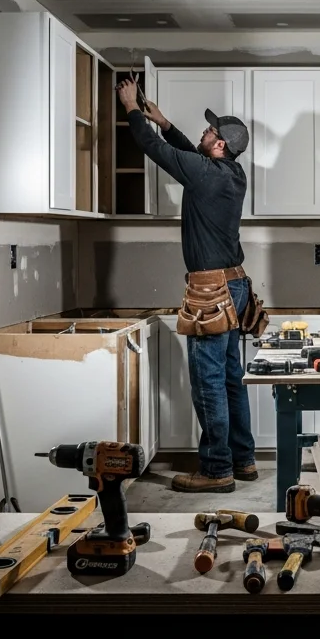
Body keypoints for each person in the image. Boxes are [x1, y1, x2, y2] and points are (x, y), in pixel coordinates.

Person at [117, 79, 264, 493]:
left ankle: (217, 470)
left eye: (211, 131)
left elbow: (160, 152)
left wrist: (131, 108)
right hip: (235, 286)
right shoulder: (231, 173)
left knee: (208, 381)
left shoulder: (205, 173)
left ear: (219, 146)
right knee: (231, 377)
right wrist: (164, 121)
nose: (205, 132)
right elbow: (185, 151)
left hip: (210, 292)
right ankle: (243, 459)